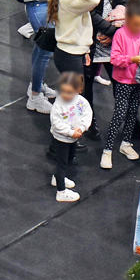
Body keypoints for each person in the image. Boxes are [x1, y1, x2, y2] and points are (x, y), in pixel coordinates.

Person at [51, 0, 103, 134]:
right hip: (69, 56)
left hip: (73, 53)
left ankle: (69, 135)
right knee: (70, 102)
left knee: (72, 100)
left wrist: (85, 50)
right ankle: (64, 137)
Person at [102, 0, 140, 169]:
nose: (139, 28)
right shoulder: (120, 34)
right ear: (127, 20)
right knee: (119, 113)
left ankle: (125, 143)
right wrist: (131, 59)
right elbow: (115, 59)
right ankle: (107, 150)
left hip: (139, 81)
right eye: (135, 24)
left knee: (133, 112)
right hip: (123, 81)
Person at [49, 72, 93, 202]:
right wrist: (70, 132)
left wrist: (82, 128)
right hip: (61, 138)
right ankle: (61, 192)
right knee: (61, 163)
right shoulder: (58, 104)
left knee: (69, 159)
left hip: (73, 137)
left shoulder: (82, 102)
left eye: (69, 92)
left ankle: (57, 178)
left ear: (79, 90)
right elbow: (56, 123)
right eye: (63, 91)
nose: (65, 95)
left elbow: (87, 115)